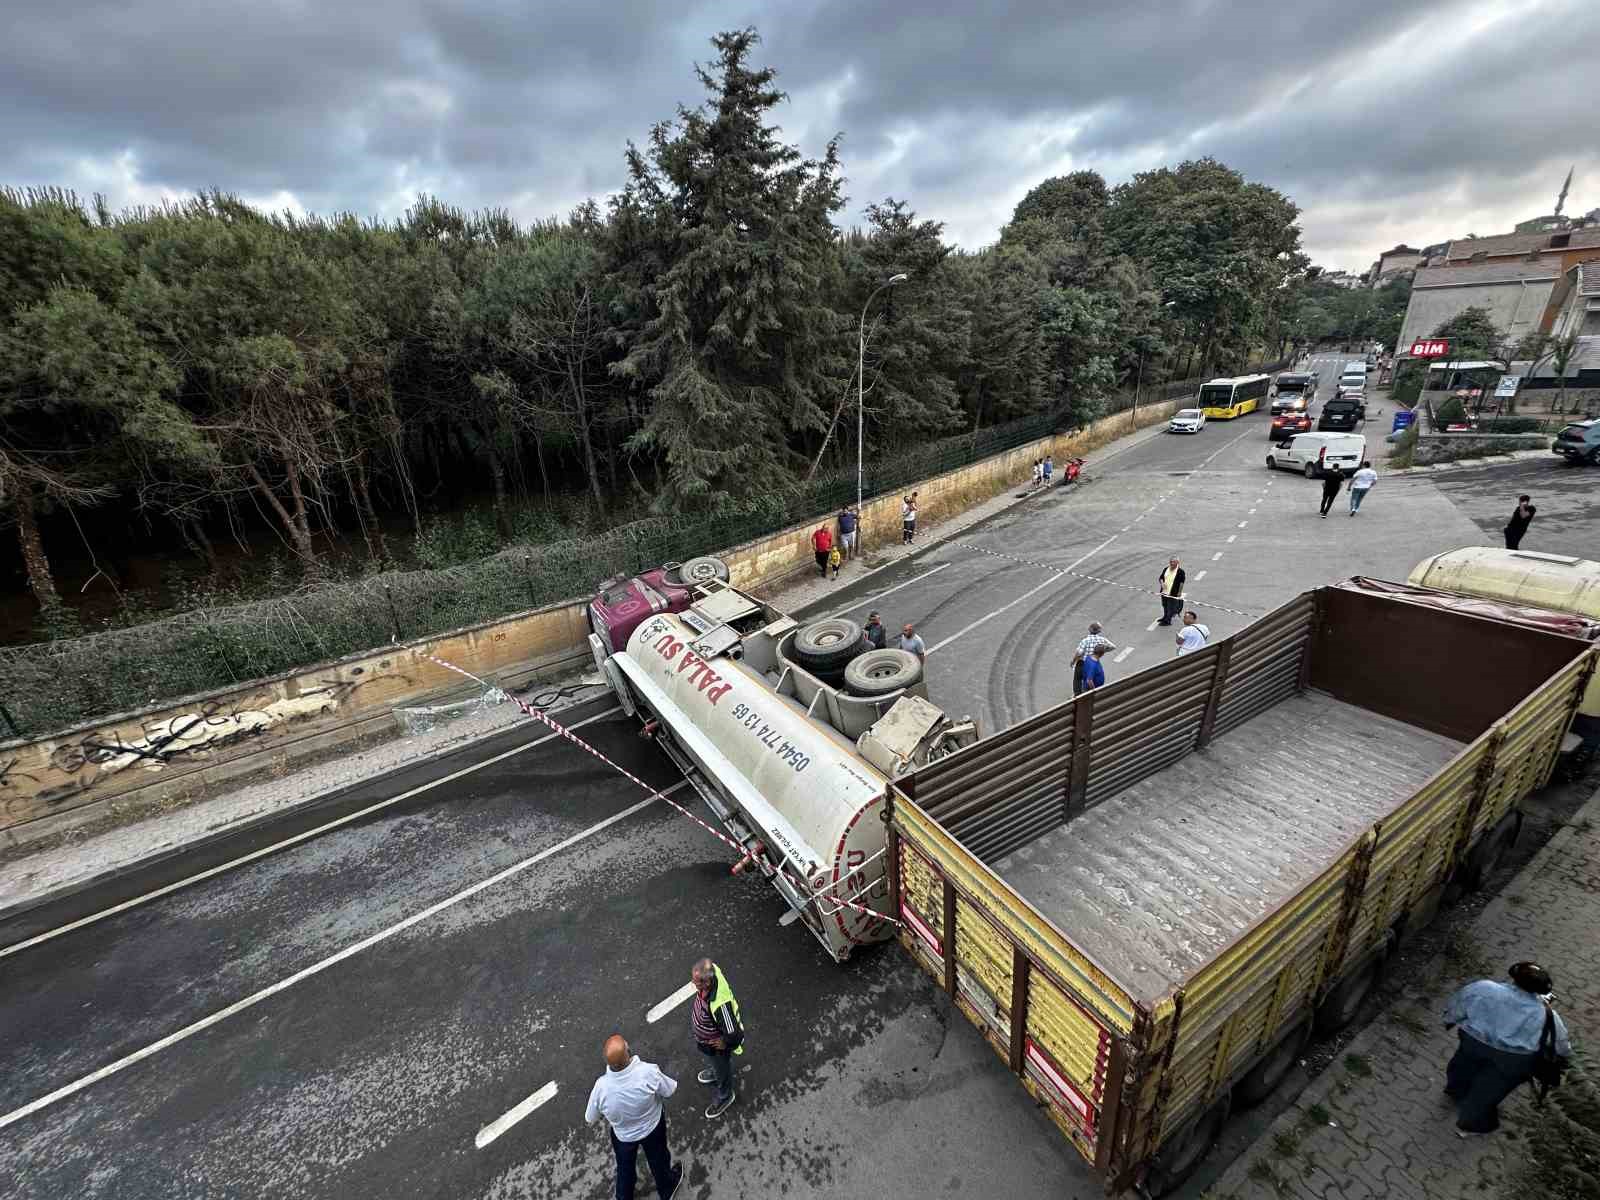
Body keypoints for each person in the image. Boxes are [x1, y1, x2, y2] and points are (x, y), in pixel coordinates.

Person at [1443, 961, 1571, 1137]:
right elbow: (1561, 1045)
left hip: (1474, 1043)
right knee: (1488, 1091)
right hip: (1513, 1060)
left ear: (1514, 976)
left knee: (1462, 1066)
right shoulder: (1547, 1015)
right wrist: (1563, 1058)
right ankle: (1470, 1126)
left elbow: (1457, 1006)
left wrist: (1450, 1020)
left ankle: (1456, 1090)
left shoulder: (1484, 988)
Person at [585, 1035, 683, 1200]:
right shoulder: (648, 1072)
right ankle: (667, 1189)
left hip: (623, 1136)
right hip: (653, 1128)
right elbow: (669, 1090)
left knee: (625, 1168)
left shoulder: (601, 1088)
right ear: (628, 1052)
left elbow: (590, 1118)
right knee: (659, 1160)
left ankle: (624, 1196)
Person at [690, 959, 745, 1119]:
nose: (694, 985)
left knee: (722, 1068)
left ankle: (725, 1096)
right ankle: (716, 1073)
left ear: (708, 981)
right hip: (707, 1042)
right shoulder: (711, 971)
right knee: (717, 1066)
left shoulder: (720, 1005)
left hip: (717, 1048)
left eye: (698, 983)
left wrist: (725, 1043)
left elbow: (734, 1035)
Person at [1071, 622, 1116, 695]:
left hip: (1082, 663)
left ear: (1089, 629)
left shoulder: (1085, 641)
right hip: (1094, 661)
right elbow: (1113, 646)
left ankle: (1077, 695)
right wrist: (1104, 650)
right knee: (1089, 677)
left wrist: (1073, 661)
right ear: (1099, 631)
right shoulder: (1102, 640)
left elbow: (1079, 653)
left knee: (1077, 679)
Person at [1157, 557, 1185, 626]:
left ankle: (1168, 621)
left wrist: (1179, 592)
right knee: (1164, 605)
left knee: (1170, 606)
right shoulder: (1166, 569)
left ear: (1177, 563)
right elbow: (1161, 578)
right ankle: (1165, 617)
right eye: (1171, 562)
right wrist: (1162, 583)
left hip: (1173, 593)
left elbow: (1181, 583)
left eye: (1174, 562)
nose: (1172, 563)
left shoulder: (1180, 571)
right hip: (1164, 591)